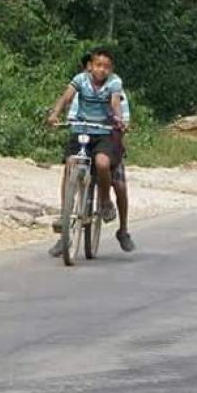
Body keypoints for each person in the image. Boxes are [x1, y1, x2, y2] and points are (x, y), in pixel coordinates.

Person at [47, 47, 131, 254]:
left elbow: (114, 104)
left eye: (106, 67)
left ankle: (107, 205)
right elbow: (66, 97)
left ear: (111, 69)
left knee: (108, 169)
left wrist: (119, 120)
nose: (101, 70)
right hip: (82, 131)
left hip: (107, 133)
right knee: (69, 166)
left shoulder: (115, 85)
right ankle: (66, 215)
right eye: (97, 65)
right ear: (89, 66)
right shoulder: (80, 82)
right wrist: (55, 114)